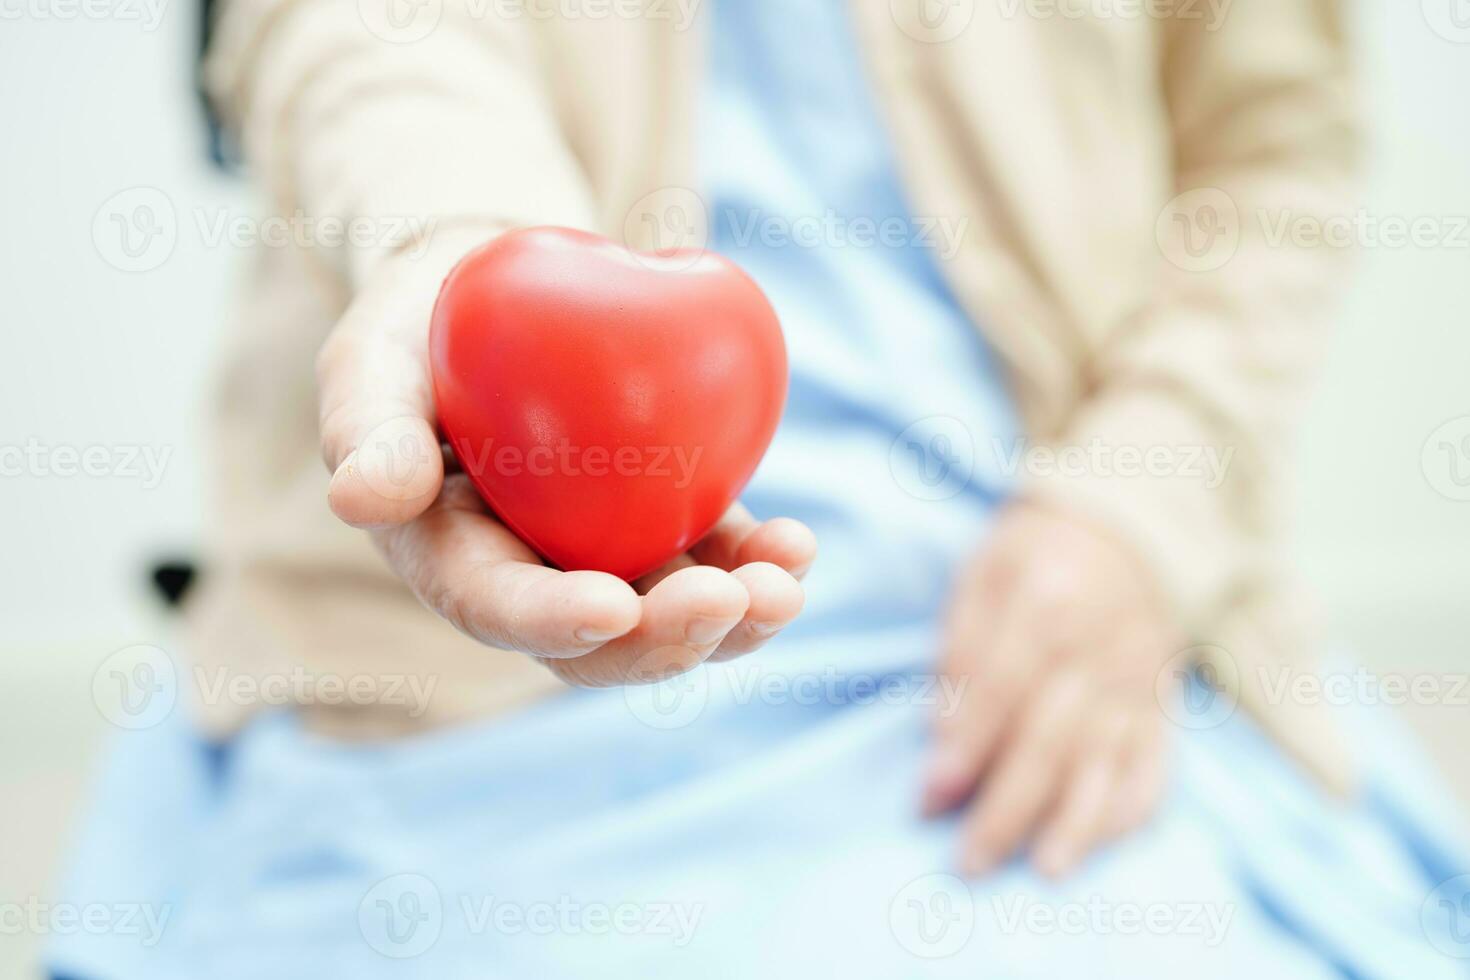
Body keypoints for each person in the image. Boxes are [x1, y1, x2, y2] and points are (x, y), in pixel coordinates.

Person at [48, 0, 1470, 977]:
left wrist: (1135, 513)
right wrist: (458, 239)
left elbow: (1275, 145)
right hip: (470, 698)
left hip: (1042, 615)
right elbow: (350, 31)